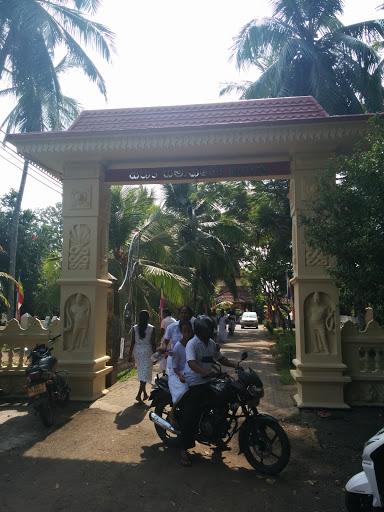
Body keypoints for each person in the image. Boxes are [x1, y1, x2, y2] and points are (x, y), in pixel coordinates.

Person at [180, 315, 238, 467]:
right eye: (208, 330)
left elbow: (221, 359)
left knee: (222, 403)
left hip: (208, 380)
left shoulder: (211, 343)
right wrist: (206, 373)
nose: (210, 332)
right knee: (191, 413)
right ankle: (184, 449)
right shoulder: (193, 344)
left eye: (211, 329)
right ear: (200, 330)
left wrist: (235, 366)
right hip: (194, 382)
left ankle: (218, 438)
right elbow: (191, 364)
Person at [167, 319, 193, 428]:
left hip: (190, 370)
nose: (187, 334)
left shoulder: (193, 343)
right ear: (181, 332)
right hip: (177, 373)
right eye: (184, 331)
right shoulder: (178, 346)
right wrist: (180, 375)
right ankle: (172, 411)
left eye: (189, 331)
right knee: (184, 388)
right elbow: (175, 366)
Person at [128, 310, 156, 403]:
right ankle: (139, 394)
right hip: (147, 352)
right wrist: (155, 356)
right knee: (145, 373)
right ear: (148, 318)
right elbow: (153, 343)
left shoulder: (135, 328)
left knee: (142, 373)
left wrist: (130, 354)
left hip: (138, 352)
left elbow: (132, 342)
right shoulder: (151, 328)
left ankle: (144, 394)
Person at [162, 305, 193, 374]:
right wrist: (163, 348)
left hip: (190, 360)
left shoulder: (194, 327)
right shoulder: (172, 327)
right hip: (174, 358)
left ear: (190, 315)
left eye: (186, 313)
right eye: (181, 313)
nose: (183, 315)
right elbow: (165, 341)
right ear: (179, 315)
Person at [158, 308, 176, 375]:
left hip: (165, 341)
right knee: (170, 357)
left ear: (166, 313)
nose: (162, 315)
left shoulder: (164, 321)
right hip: (172, 341)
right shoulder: (174, 320)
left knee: (163, 358)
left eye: (163, 313)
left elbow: (162, 332)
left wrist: (158, 339)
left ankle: (164, 373)